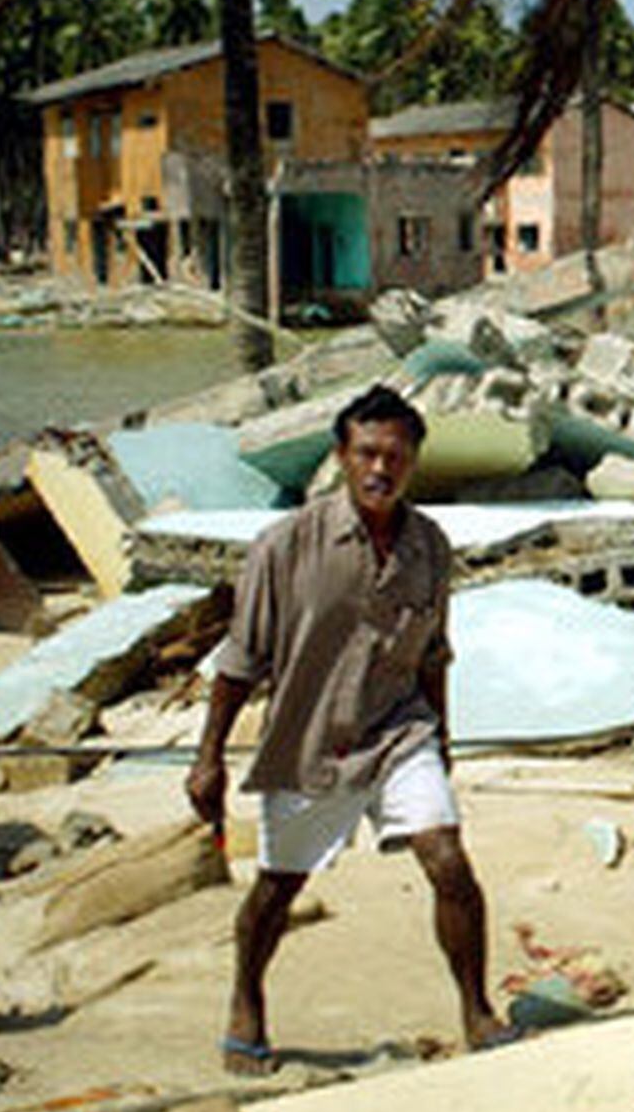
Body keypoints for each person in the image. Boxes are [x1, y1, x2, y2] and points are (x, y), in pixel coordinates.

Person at [187, 385, 510, 1074]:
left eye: (395, 456)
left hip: (400, 730)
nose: (379, 470)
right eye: (366, 453)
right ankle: (246, 997)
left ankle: (477, 1012)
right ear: (340, 456)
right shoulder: (285, 545)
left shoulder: (429, 546)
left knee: (449, 862)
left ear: (414, 462)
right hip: (310, 739)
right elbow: (240, 659)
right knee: (278, 889)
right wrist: (207, 758)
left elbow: (433, 654)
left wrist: (442, 740)